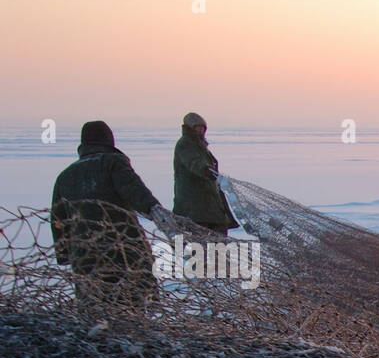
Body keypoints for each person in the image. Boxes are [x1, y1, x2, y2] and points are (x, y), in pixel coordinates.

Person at [50, 121, 174, 309]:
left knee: (96, 313)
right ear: (109, 141)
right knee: (133, 306)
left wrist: (65, 255)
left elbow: (58, 221)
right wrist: (154, 209)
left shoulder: (65, 176)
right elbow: (134, 190)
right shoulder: (112, 163)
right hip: (124, 252)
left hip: (85, 258)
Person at [174, 112, 238, 234]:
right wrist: (207, 171)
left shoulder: (201, 146)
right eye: (197, 127)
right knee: (198, 248)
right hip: (194, 210)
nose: (200, 130)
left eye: (202, 128)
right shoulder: (185, 144)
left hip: (211, 209)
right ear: (189, 128)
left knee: (218, 247)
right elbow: (194, 163)